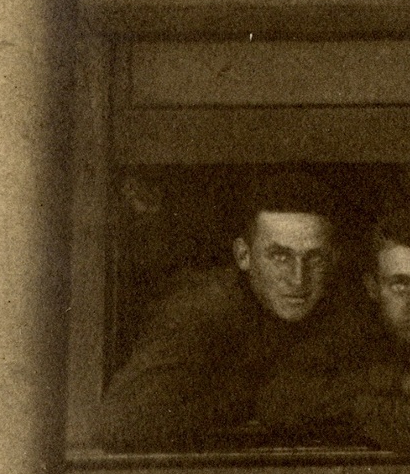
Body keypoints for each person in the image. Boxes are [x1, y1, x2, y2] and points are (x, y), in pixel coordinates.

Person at [98, 170, 337, 451]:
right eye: (280, 257)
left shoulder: (340, 308)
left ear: (333, 259)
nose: (298, 278)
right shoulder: (202, 310)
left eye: (314, 258)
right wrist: (252, 398)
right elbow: (120, 424)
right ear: (243, 256)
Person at [253, 204, 410, 459]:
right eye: (400, 286)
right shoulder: (351, 330)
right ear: (372, 287)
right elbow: (277, 402)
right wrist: (386, 382)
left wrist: (352, 407)